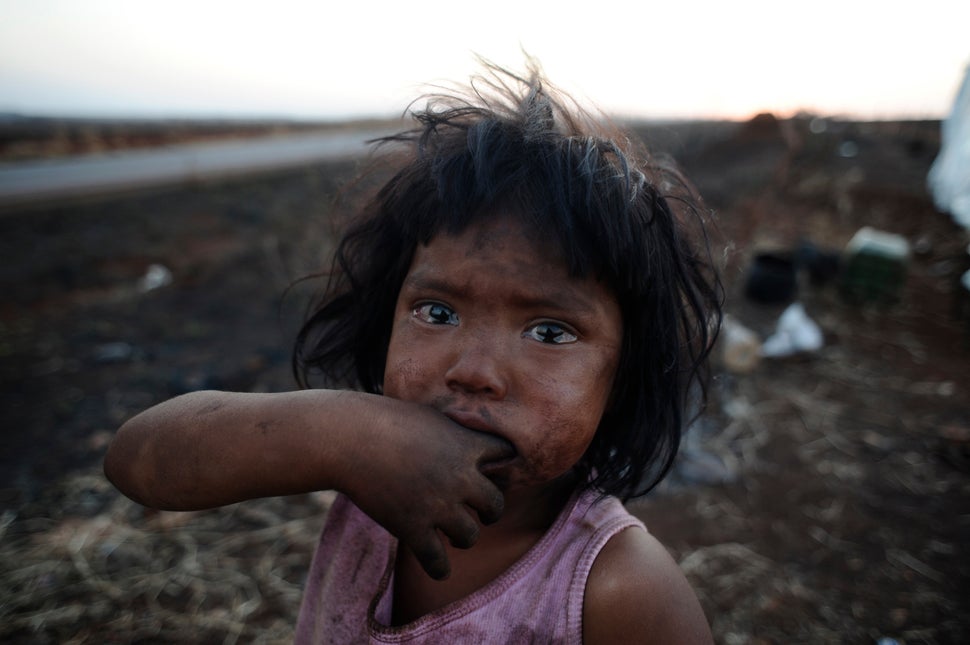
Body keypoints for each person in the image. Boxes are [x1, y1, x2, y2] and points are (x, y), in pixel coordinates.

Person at [104, 58, 722, 643]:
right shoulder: (364, 470)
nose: (473, 372)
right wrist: (342, 434)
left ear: (623, 378)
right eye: (437, 312)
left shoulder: (617, 591)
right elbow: (138, 460)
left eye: (550, 332)